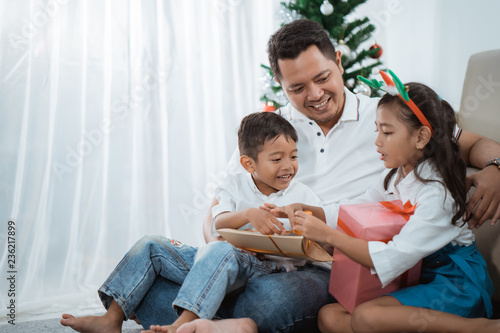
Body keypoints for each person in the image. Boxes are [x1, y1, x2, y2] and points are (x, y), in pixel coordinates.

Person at [62, 19, 500, 333]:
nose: (314, 95)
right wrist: (219, 234)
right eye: (296, 88)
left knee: (264, 304)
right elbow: (225, 202)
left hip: (322, 264)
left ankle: (208, 319)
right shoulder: (274, 130)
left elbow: (468, 143)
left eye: (322, 78)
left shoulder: (388, 117)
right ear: (281, 84)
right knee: (172, 260)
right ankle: (210, 320)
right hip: (259, 251)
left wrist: (497, 169)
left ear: (339, 62)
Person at [61, 111, 325, 333]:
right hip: (223, 259)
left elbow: (320, 238)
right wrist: (248, 215)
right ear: (248, 164)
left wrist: (300, 225)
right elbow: (219, 224)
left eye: (293, 156)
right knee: (152, 243)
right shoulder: (233, 184)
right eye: (277, 159)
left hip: (269, 268)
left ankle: (184, 324)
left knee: (219, 250)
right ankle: (112, 318)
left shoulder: (301, 195)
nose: (288, 166)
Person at [270, 80, 499, 332]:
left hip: (455, 285)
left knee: (367, 317)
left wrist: (328, 236)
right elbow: (353, 208)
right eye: (376, 130)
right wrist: (309, 210)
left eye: (387, 133)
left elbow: (392, 257)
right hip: (419, 274)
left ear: (421, 137)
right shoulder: (395, 175)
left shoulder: (437, 193)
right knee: (329, 316)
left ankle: (480, 328)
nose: (377, 142)